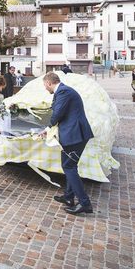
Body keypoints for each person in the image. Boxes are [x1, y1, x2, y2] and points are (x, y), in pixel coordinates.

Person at [41, 72, 94, 215]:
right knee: (70, 166)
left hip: (75, 135)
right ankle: (69, 197)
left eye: (45, 85)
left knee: (68, 166)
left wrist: (46, 129)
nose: (45, 88)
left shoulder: (64, 91)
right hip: (73, 134)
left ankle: (85, 203)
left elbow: (58, 113)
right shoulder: (62, 92)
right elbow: (55, 108)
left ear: (49, 83)